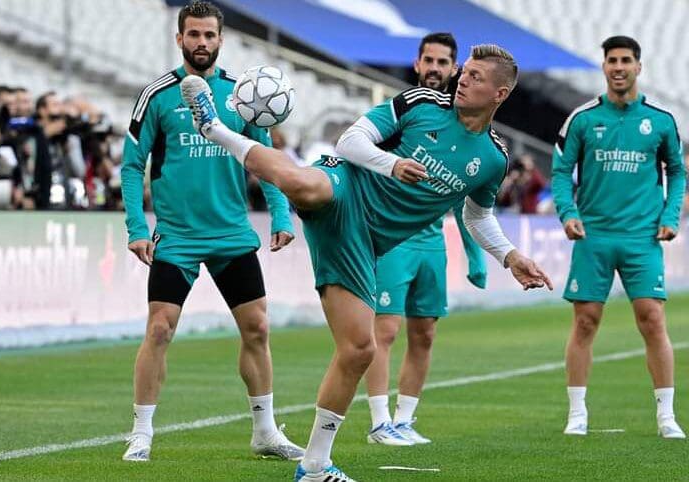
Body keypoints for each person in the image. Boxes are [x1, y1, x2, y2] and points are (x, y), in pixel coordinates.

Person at [182, 43, 553, 482]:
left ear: (500, 93)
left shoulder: (493, 158)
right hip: (345, 184)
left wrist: (509, 256)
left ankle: (315, 465)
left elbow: (476, 215)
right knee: (307, 186)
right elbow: (350, 140)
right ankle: (214, 129)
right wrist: (392, 164)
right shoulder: (420, 104)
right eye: (464, 72)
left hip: (362, 243)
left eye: (475, 76)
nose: (462, 79)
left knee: (360, 349)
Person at [120, 1, 304, 462]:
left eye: (210, 35)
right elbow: (130, 166)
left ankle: (264, 431)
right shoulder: (157, 95)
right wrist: (137, 227)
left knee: (258, 328)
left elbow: (266, 162)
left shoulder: (243, 95)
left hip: (231, 234)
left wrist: (281, 214)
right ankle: (141, 432)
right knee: (160, 329)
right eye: (194, 35)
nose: (202, 42)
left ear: (221, 40)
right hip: (177, 236)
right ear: (178, 38)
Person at [552, 36, 686, 438]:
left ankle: (666, 416)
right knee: (586, 322)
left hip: (642, 237)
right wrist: (568, 212)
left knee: (652, 319)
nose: (619, 67)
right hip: (593, 236)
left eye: (626, 60)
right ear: (604, 67)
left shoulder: (661, 120)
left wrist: (670, 213)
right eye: (612, 60)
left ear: (638, 67)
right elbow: (560, 172)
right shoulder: (582, 118)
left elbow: (678, 172)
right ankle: (577, 413)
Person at [363, 32, 487, 447]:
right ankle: (379, 422)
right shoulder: (405, 112)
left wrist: (475, 255)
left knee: (425, 333)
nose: (434, 68)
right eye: (428, 60)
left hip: (432, 243)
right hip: (392, 240)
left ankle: (405, 420)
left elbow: (460, 197)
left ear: (454, 70)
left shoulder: (464, 123)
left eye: (443, 62)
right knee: (384, 331)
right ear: (417, 64)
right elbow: (361, 154)